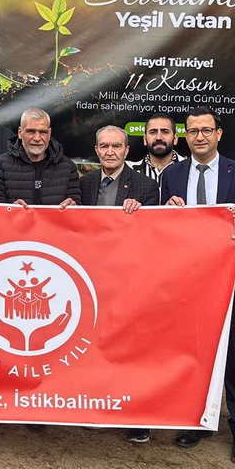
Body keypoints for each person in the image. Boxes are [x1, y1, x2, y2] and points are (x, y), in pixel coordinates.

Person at [161, 109, 235, 462]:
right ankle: (196, 419)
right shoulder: (173, 175)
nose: (200, 136)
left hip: (231, 281)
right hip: (186, 283)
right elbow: (160, 230)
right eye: (193, 131)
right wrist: (166, 211)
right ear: (185, 136)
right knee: (192, 354)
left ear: (219, 133)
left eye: (206, 130)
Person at [78, 124, 160, 445]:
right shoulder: (84, 184)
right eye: (104, 146)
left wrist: (142, 215)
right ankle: (96, 405)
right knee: (93, 346)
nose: (110, 152)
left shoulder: (145, 186)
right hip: (91, 279)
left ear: (127, 150)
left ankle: (136, 416)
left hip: (129, 281)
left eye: (116, 146)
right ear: (96, 151)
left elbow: (154, 234)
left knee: (130, 349)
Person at [0, 108, 81, 207]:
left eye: (43, 132)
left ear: (49, 134)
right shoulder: (1, 165)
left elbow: (77, 204)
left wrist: (73, 206)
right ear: (20, 132)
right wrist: (13, 209)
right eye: (31, 131)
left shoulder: (68, 167)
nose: (37, 138)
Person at [128, 113, 183, 199]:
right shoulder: (130, 170)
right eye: (153, 132)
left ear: (175, 139)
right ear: (145, 139)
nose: (159, 137)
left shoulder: (190, 169)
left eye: (165, 132)